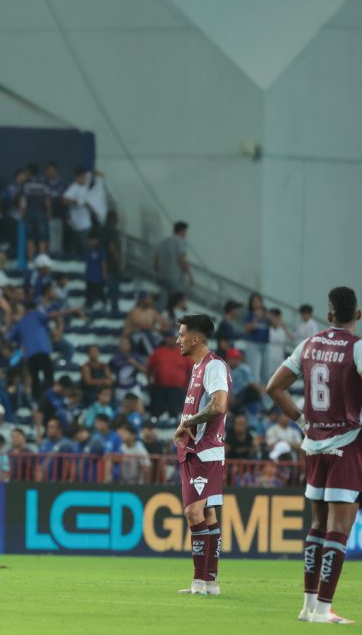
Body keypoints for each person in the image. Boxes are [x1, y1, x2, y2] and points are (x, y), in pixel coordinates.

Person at [266, 286, 362, 624]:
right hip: (347, 445)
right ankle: (323, 609)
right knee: (339, 529)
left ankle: (307, 606)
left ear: (329, 314)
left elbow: (274, 387)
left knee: (317, 525)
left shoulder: (309, 344)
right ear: (357, 314)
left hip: (315, 445)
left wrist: (303, 421)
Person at [171, 314, 231, 597]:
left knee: (193, 512)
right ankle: (209, 583)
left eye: (181, 334)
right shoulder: (198, 368)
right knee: (206, 513)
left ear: (195, 338)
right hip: (194, 450)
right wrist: (186, 425)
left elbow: (219, 406)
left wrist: (187, 423)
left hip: (205, 450)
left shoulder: (214, 366)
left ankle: (199, 582)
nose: (177, 339)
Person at [154, 222, 193, 302]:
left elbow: (155, 258)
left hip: (161, 277)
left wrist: (158, 272)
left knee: (164, 299)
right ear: (182, 231)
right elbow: (181, 259)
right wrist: (190, 275)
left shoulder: (164, 241)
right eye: (185, 232)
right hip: (175, 279)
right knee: (182, 295)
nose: (185, 234)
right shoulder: (180, 241)